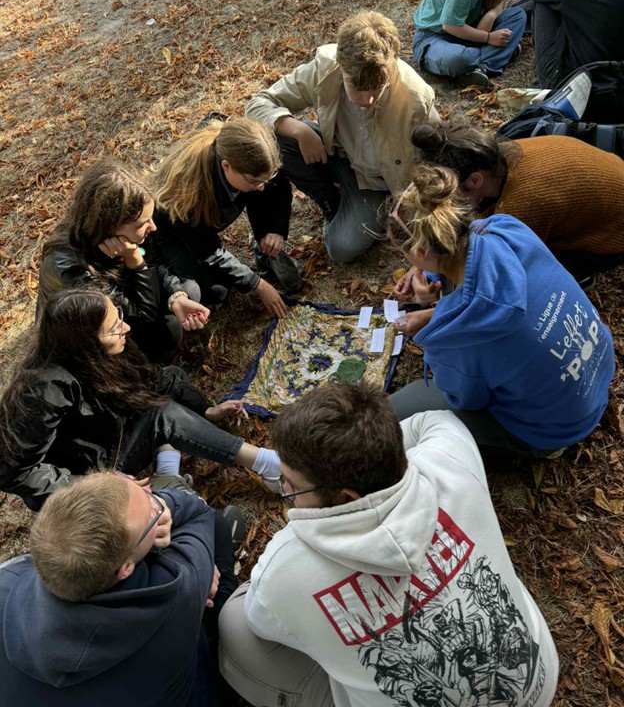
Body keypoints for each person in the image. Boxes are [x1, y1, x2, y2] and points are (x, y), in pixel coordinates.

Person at [218, 381, 559, 707]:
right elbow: (430, 420)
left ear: (345, 497)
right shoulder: (450, 452)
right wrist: (373, 453)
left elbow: (260, 623)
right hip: (537, 680)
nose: (286, 492)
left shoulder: (284, 566)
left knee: (235, 621)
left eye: (291, 484)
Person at [385, 165, 615, 455]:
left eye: (404, 253)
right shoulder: (506, 228)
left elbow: (468, 400)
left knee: (397, 412)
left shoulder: (453, 339)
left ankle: (538, 450)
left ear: (419, 253)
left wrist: (440, 317)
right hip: (597, 373)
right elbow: (493, 289)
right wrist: (438, 303)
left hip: (554, 428)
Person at [0, 289, 280, 511]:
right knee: (161, 413)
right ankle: (268, 464)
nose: (125, 327)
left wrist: (206, 410)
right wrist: (94, 485)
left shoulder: (100, 353)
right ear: (87, 342)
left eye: (119, 316)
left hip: (109, 434)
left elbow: (154, 379)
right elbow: (15, 473)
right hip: (91, 478)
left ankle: (167, 471)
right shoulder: (43, 391)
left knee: (173, 378)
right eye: (114, 327)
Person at [0, 470, 240, 706]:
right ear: (125, 568)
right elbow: (199, 512)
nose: (152, 499)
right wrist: (166, 507)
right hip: (190, 691)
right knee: (218, 533)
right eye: (152, 511)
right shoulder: (176, 591)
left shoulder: (7, 579)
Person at [245, 10, 438, 263]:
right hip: (339, 156)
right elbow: (258, 104)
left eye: (376, 88)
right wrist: (297, 129)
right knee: (281, 138)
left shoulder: (416, 97)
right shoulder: (325, 67)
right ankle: (331, 202)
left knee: (341, 248)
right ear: (340, 66)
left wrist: (413, 212)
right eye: (357, 87)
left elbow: (438, 162)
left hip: (379, 183)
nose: (367, 99)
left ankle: (360, 208)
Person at [409, 119, 624, 282]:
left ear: (475, 180)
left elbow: (495, 271)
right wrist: (423, 265)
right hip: (615, 174)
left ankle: (580, 275)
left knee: (532, 272)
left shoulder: (522, 205)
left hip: (615, 234)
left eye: (453, 197)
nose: (451, 204)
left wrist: (434, 269)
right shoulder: (499, 155)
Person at [38, 159, 210, 361]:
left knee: (188, 290)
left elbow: (155, 263)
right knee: (166, 332)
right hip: (97, 336)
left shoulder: (118, 236)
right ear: (111, 226)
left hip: (124, 291)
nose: (153, 227)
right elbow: (139, 320)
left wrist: (176, 297)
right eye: (142, 224)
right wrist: (135, 260)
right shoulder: (73, 270)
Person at [153, 116, 297, 320]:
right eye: (254, 180)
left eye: (267, 177)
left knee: (262, 186)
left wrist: (275, 229)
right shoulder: (190, 194)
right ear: (226, 166)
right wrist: (258, 284)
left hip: (203, 231)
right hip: (174, 237)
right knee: (215, 292)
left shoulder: (257, 156)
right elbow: (208, 250)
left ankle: (263, 251)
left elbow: (279, 188)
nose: (261, 187)